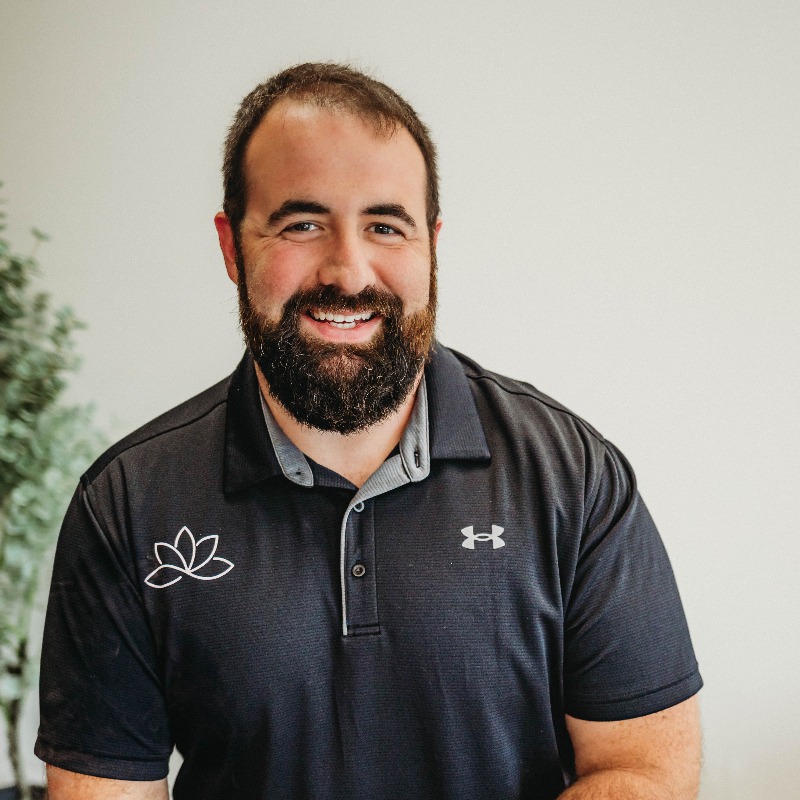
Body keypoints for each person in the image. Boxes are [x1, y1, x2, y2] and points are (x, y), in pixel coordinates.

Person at [36, 63, 702, 800]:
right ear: (232, 246)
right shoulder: (128, 504)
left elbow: (645, 768)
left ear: (432, 244)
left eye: (385, 225)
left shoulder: (572, 478)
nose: (349, 271)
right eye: (303, 223)